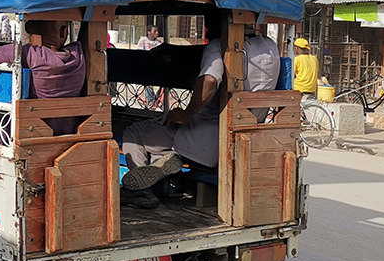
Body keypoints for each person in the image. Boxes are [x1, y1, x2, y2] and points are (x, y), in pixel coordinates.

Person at [120, 26, 280, 207]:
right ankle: (163, 161)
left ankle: (140, 192)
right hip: (244, 139)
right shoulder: (270, 46)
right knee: (165, 139)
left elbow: (210, 81)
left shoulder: (218, 46)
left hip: (205, 142)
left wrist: (185, 114)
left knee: (135, 132)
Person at [0, 19, 87, 134]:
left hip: (29, 132)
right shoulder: (78, 55)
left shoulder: (27, 54)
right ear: (64, 31)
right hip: (68, 132)